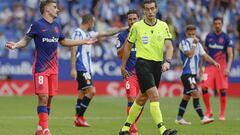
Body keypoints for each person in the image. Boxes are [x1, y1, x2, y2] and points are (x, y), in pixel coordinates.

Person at [5, 1, 96, 135]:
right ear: (47, 9)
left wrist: (83, 41)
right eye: (54, 7)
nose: (57, 10)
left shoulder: (56, 26)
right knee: (43, 97)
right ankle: (46, 129)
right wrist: (16, 45)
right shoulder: (37, 25)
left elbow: (64, 42)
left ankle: (40, 128)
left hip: (53, 70)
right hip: (41, 69)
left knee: (49, 99)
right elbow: (25, 41)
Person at [119, 0, 177, 135]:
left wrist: (167, 61)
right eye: (147, 9)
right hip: (142, 64)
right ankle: (163, 130)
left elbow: (169, 46)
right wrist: (123, 66)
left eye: (152, 9)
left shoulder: (163, 26)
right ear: (143, 11)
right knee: (154, 95)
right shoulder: (137, 27)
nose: (150, 12)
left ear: (156, 9)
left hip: (157, 65)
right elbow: (127, 47)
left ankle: (125, 129)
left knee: (141, 98)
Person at [70, 14, 127, 127]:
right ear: (89, 22)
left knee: (82, 93)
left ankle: (78, 121)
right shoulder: (77, 33)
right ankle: (79, 117)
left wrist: (124, 28)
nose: (94, 24)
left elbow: (105, 33)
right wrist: (73, 68)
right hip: (82, 67)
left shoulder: (88, 34)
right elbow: (73, 50)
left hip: (87, 68)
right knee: (92, 91)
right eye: (94, 22)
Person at [175, 25, 220, 125]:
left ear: (196, 33)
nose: (192, 36)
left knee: (186, 97)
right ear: (186, 34)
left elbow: (205, 56)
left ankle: (179, 118)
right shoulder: (184, 43)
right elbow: (189, 54)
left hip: (193, 75)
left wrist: (214, 62)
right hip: (187, 74)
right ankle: (203, 117)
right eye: (190, 34)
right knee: (196, 94)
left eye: (193, 34)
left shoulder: (198, 44)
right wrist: (194, 43)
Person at [201, 17, 233, 121]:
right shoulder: (209, 36)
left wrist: (228, 68)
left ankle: (222, 114)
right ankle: (209, 111)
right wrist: (201, 66)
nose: (217, 25)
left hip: (221, 66)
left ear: (222, 24)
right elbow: (204, 53)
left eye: (219, 23)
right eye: (215, 23)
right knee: (204, 87)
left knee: (222, 90)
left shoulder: (226, 38)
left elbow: (230, 55)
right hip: (209, 66)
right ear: (213, 24)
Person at [116, 10, 142, 135]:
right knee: (131, 98)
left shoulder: (144, 33)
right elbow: (119, 55)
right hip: (129, 72)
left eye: (134, 19)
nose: (132, 21)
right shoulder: (122, 36)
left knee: (140, 102)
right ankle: (133, 130)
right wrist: (128, 39)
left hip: (144, 72)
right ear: (127, 20)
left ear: (138, 19)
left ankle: (127, 127)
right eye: (130, 19)